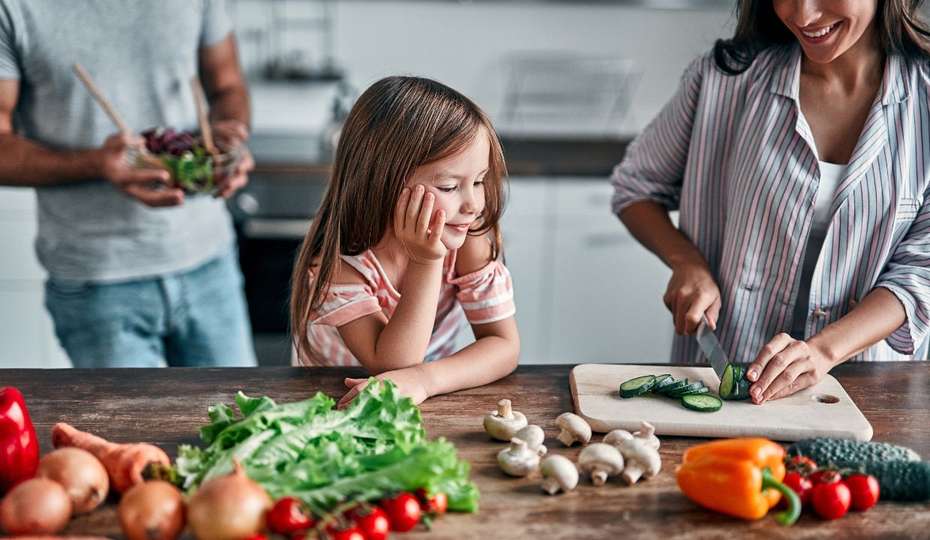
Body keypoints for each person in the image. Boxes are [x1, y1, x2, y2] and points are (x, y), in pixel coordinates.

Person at [612, 0, 930, 403]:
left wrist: (823, 351)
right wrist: (686, 263)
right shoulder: (722, 78)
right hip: (723, 387)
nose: (803, 16)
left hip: (868, 395)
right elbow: (635, 188)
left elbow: (921, 274)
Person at [0, 0, 257, 367]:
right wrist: (96, 164)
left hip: (210, 263)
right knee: (129, 426)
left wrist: (229, 137)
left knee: (241, 419)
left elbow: (227, 84)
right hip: (97, 280)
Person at [290, 76, 520, 406]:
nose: (473, 205)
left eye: (480, 181)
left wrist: (427, 380)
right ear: (382, 181)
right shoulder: (342, 263)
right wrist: (427, 261)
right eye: (449, 187)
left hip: (422, 395)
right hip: (333, 402)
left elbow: (503, 344)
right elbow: (393, 366)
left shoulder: (470, 236)